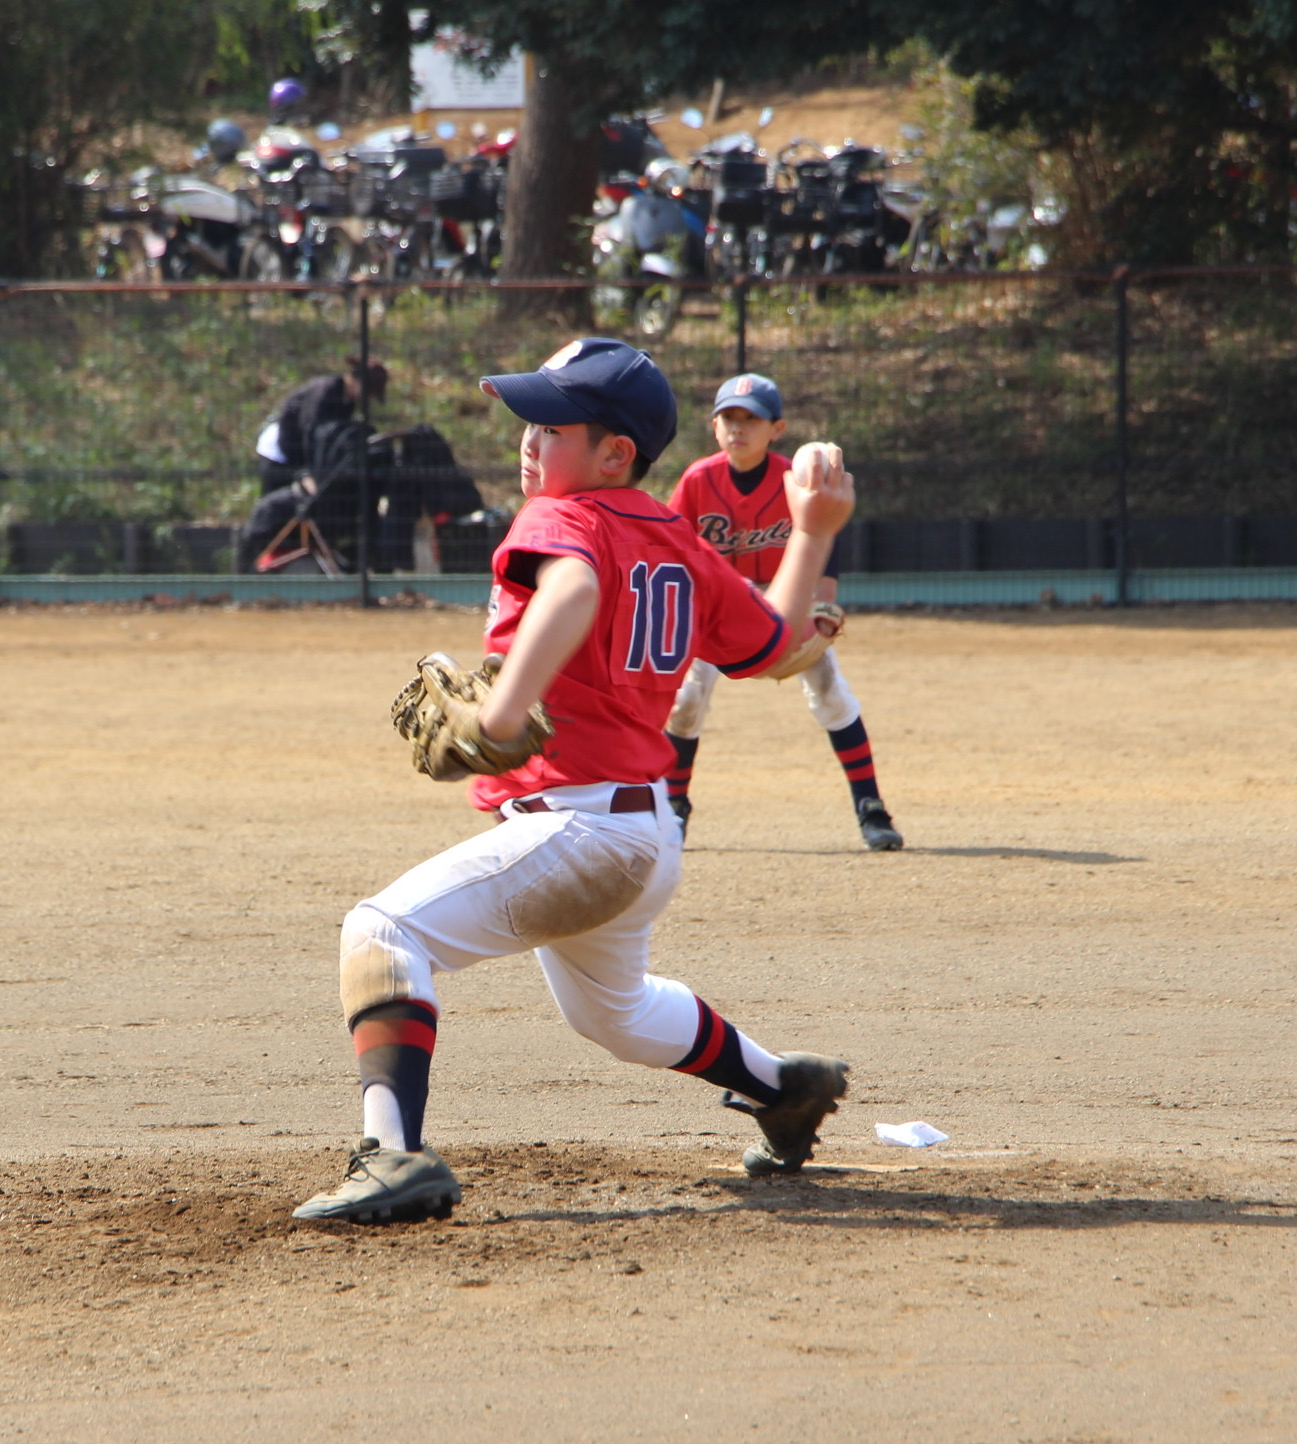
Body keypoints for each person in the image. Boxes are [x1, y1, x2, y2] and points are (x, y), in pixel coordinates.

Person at [294, 337, 858, 1225]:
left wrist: (504, 712)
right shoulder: (675, 538)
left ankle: (392, 1155)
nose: (529, 440)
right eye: (527, 421)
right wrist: (814, 530)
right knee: (615, 1016)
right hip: (641, 833)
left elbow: (575, 591)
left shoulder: (563, 516)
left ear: (614, 453)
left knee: (382, 931)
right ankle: (782, 1088)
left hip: (581, 830)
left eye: (551, 426)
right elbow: (776, 643)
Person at [662, 373, 903, 850]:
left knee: (830, 690)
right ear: (714, 426)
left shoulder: (795, 479)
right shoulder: (697, 480)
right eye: (729, 417)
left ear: (777, 429)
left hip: (786, 600)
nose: (738, 427)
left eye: (751, 419)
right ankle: (674, 806)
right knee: (686, 701)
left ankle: (870, 805)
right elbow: (672, 546)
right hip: (716, 602)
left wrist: (824, 603)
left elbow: (827, 539)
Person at [253, 357, 388, 495]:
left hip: (304, 455)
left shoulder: (348, 402)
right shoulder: (325, 391)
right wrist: (306, 473)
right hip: (281, 451)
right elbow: (309, 431)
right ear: (356, 380)